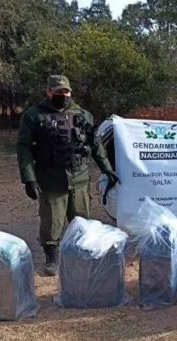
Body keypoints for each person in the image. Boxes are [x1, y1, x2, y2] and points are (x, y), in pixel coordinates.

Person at [17, 75, 120, 276]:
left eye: (65, 91)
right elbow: (24, 147)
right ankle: (51, 256)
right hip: (50, 177)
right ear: (48, 91)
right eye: (57, 92)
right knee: (52, 220)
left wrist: (107, 169)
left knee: (81, 219)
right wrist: (28, 178)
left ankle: (79, 252)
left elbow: (96, 144)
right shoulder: (34, 116)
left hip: (79, 176)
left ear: (70, 91)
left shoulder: (83, 115)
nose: (62, 95)